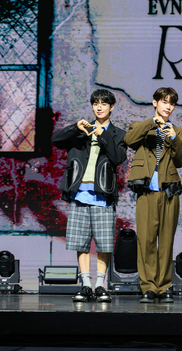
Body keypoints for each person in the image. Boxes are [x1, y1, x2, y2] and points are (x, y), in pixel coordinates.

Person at [51, 89, 127, 303]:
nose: (99, 107)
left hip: (103, 197)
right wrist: (76, 128)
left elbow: (118, 157)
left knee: (103, 244)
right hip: (79, 195)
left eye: (104, 104)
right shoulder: (81, 131)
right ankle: (85, 285)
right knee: (81, 243)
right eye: (96, 103)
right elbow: (56, 140)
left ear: (111, 107)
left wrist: (102, 135)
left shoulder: (118, 134)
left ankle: (100, 285)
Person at [124, 87, 182, 303]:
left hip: (169, 192)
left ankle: (163, 286)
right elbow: (130, 140)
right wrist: (152, 123)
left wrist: (174, 139)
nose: (168, 106)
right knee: (146, 240)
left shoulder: (179, 132)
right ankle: (149, 287)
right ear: (155, 103)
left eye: (171, 103)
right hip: (147, 192)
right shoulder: (142, 127)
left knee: (166, 241)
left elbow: (181, 161)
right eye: (164, 102)